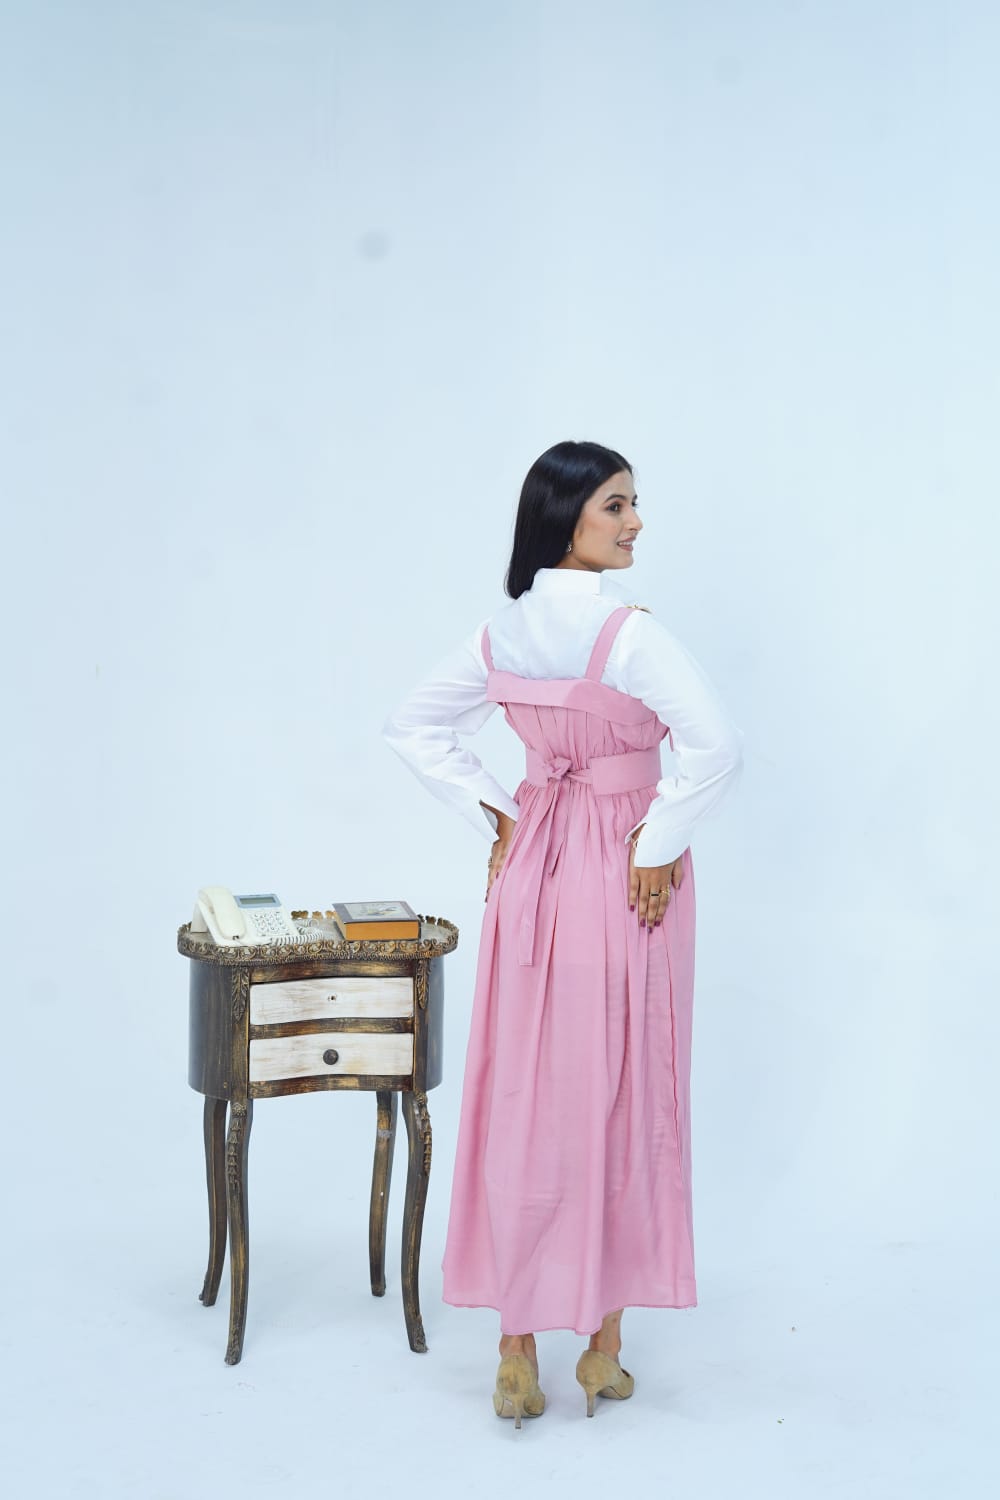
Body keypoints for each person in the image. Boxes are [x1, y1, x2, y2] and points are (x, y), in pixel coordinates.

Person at [381, 440, 743, 1427]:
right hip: (623, 869)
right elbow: (715, 745)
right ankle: (601, 1348)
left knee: (523, 1087)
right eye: (616, 505)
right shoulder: (628, 634)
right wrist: (657, 843)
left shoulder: (500, 633)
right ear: (566, 516)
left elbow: (412, 725)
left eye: (632, 504)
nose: (635, 523)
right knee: (617, 1085)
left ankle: (514, 1350)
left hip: (533, 865)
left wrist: (499, 816)